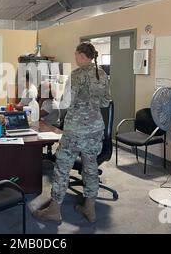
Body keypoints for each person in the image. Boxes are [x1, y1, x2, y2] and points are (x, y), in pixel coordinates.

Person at [32, 42, 111, 224]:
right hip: (95, 129)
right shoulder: (103, 74)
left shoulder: (76, 75)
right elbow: (106, 102)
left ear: (81, 55)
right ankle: (90, 208)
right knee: (91, 168)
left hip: (75, 130)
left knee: (62, 168)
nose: (75, 57)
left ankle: (54, 210)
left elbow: (66, 103)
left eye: (76, 54)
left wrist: (58, 96)